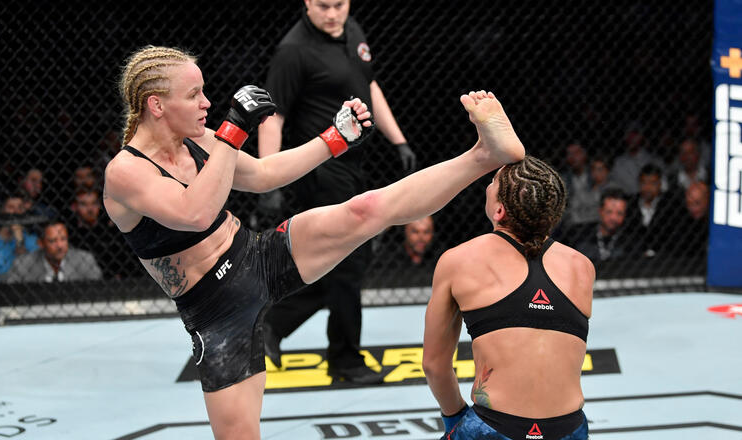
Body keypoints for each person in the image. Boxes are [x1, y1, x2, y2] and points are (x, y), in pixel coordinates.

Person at [102, 45, 523, 439]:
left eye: (204, 92)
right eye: (194, 94)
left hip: (257, 256)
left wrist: (333, 139)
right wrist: (233, 131)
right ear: (157, 105)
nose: (206, 103)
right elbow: (194, 213)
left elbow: (262, 174)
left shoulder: (198, 140)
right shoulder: (126, 172)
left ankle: (484, 155)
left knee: (366, 210)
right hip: (217, 310)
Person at [257, 0, 417, 383]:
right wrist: (268, 178)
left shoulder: (353, 30)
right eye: (324, 6)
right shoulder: (293, 51)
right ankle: (344, 359)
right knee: (347, 263)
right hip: (320, 169)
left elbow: (368, 83)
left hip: (352, 166)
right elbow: (272, 117)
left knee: (345, 262)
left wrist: (398, 139)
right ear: (307, 4)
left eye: (339, 5)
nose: (332, 14)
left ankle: (272, 324)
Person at [422, 156, 592, 440]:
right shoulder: (582, 266)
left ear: (499, 210)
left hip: (493, 428)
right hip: (570, 430)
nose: (487, 187)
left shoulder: (458, 260)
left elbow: (434, 365)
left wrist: (455, 420)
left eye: (493, 182)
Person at [2, 221, 102, 283]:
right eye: (53, 241)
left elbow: (97, 291)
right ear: (41, 243)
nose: (59, 246)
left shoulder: (84, 260)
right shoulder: (23, 264)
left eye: (63, 239)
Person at [364, 215, 441, 288]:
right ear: (406, 231)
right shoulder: (389, 258)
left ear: (433, 233)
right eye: (415, 231)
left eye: (426, 232)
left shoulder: (438, 257)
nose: (421, 237)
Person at [573, 187, 633, 264]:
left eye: (619, 213)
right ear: (600, 211)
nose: (613, 218)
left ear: (625, 215)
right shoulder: (581, 235)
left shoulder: (630, 241)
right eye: (609, 212)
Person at [0, 195, 40, 275]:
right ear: (2, 210)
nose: (16, 212)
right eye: (11, 207)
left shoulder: (33, 240)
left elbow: (30, 271)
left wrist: (19, 240)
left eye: (20, 207)